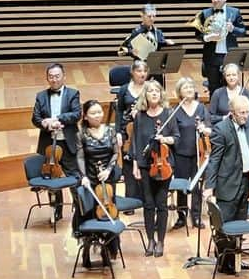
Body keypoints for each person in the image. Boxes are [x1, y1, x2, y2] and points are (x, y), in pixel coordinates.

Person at [203, 93, 249, 274]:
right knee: (225, 225)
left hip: (245, 181)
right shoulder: (221, 129)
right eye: (242, 112)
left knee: (240, 222)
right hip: (227, 183)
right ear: (232, 112)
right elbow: (214, 160)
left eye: (247, 112)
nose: (245, 116)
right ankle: (225, 263)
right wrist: (209, 186)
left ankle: (236, 258)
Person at [130, 79, 177, 256]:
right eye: (150, 91)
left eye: (157, 91)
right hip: (144, 164)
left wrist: (164, 139)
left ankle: (161, 242)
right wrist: (135, 163)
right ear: (146, 95)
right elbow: (135, 142)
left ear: (161, 94)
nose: (154, 93)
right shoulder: (140, 117)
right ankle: (150, 240)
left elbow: (176, 138)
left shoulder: (168, 114)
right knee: (148, 204)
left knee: (162, 204)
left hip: (164, 165)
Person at [31, 62, 82, 222]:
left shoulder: (73, 93)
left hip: (67, 142)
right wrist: (45, 124)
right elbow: (35, 118)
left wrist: (58, 119)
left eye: (57, 76)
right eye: (51, 77)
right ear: (47, 78)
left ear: (63, 77)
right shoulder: (41, 96)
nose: (54, 80)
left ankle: (79, 207)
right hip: (49, 144)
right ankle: (57, 209)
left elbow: (76, 114)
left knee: (75, 176)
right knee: (52, 177)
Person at [74, 99, 122, 266]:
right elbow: (80, 156)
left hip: (106, 180)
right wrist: (84, 177)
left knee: (109, 214)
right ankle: (86, 251)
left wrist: (108, 170)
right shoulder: (81, 134)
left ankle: (107, 250)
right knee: (90, 214)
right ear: (85, 116)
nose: (97, 115)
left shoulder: (110, 131)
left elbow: (115, 153)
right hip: (90, 179)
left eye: (99, 112)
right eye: (93, 113)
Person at [171, 76, 209, 230]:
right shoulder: (175, 111)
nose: (189, 90)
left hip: (198, 154)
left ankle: (196, 216)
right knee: (182, 186)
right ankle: (181, 216)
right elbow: (173, 132)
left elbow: (210, 128)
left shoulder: (201, 108)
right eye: (185, 88)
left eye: (191, 87)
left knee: (197, 187)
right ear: (180, 92)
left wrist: (204, 129)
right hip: (181, 154)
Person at [196, 0, 247, 95]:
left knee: (231, 86)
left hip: (230, 55)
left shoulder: (235, 12)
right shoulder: (205, 13)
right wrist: (207, 38)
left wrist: (233, 29)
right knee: (213, 87)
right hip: (212, 56)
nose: (215, 0)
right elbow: (198, 35)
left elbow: (243, 32)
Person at [116, 58, 148, 202]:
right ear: (132, 72)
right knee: (128, 164)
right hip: (128, 130)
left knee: (145, 161)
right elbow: (119, 111)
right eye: (139, 71)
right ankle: (130, 199)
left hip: (145, 129)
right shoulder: (124, 89)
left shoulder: (150, 88)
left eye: (144, 71)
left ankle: (144, 197)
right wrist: (118, 132)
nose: (142, 74)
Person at [117, 3, 174, 81]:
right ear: (142, 15)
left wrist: (167, 44)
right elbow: (120, 51)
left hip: (156, 69)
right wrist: (131, 52)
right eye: (149, 16)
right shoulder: (136, 32)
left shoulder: (158, 32)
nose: (152, 19)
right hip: (141, 69)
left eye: (154, 16)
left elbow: (160, 49)